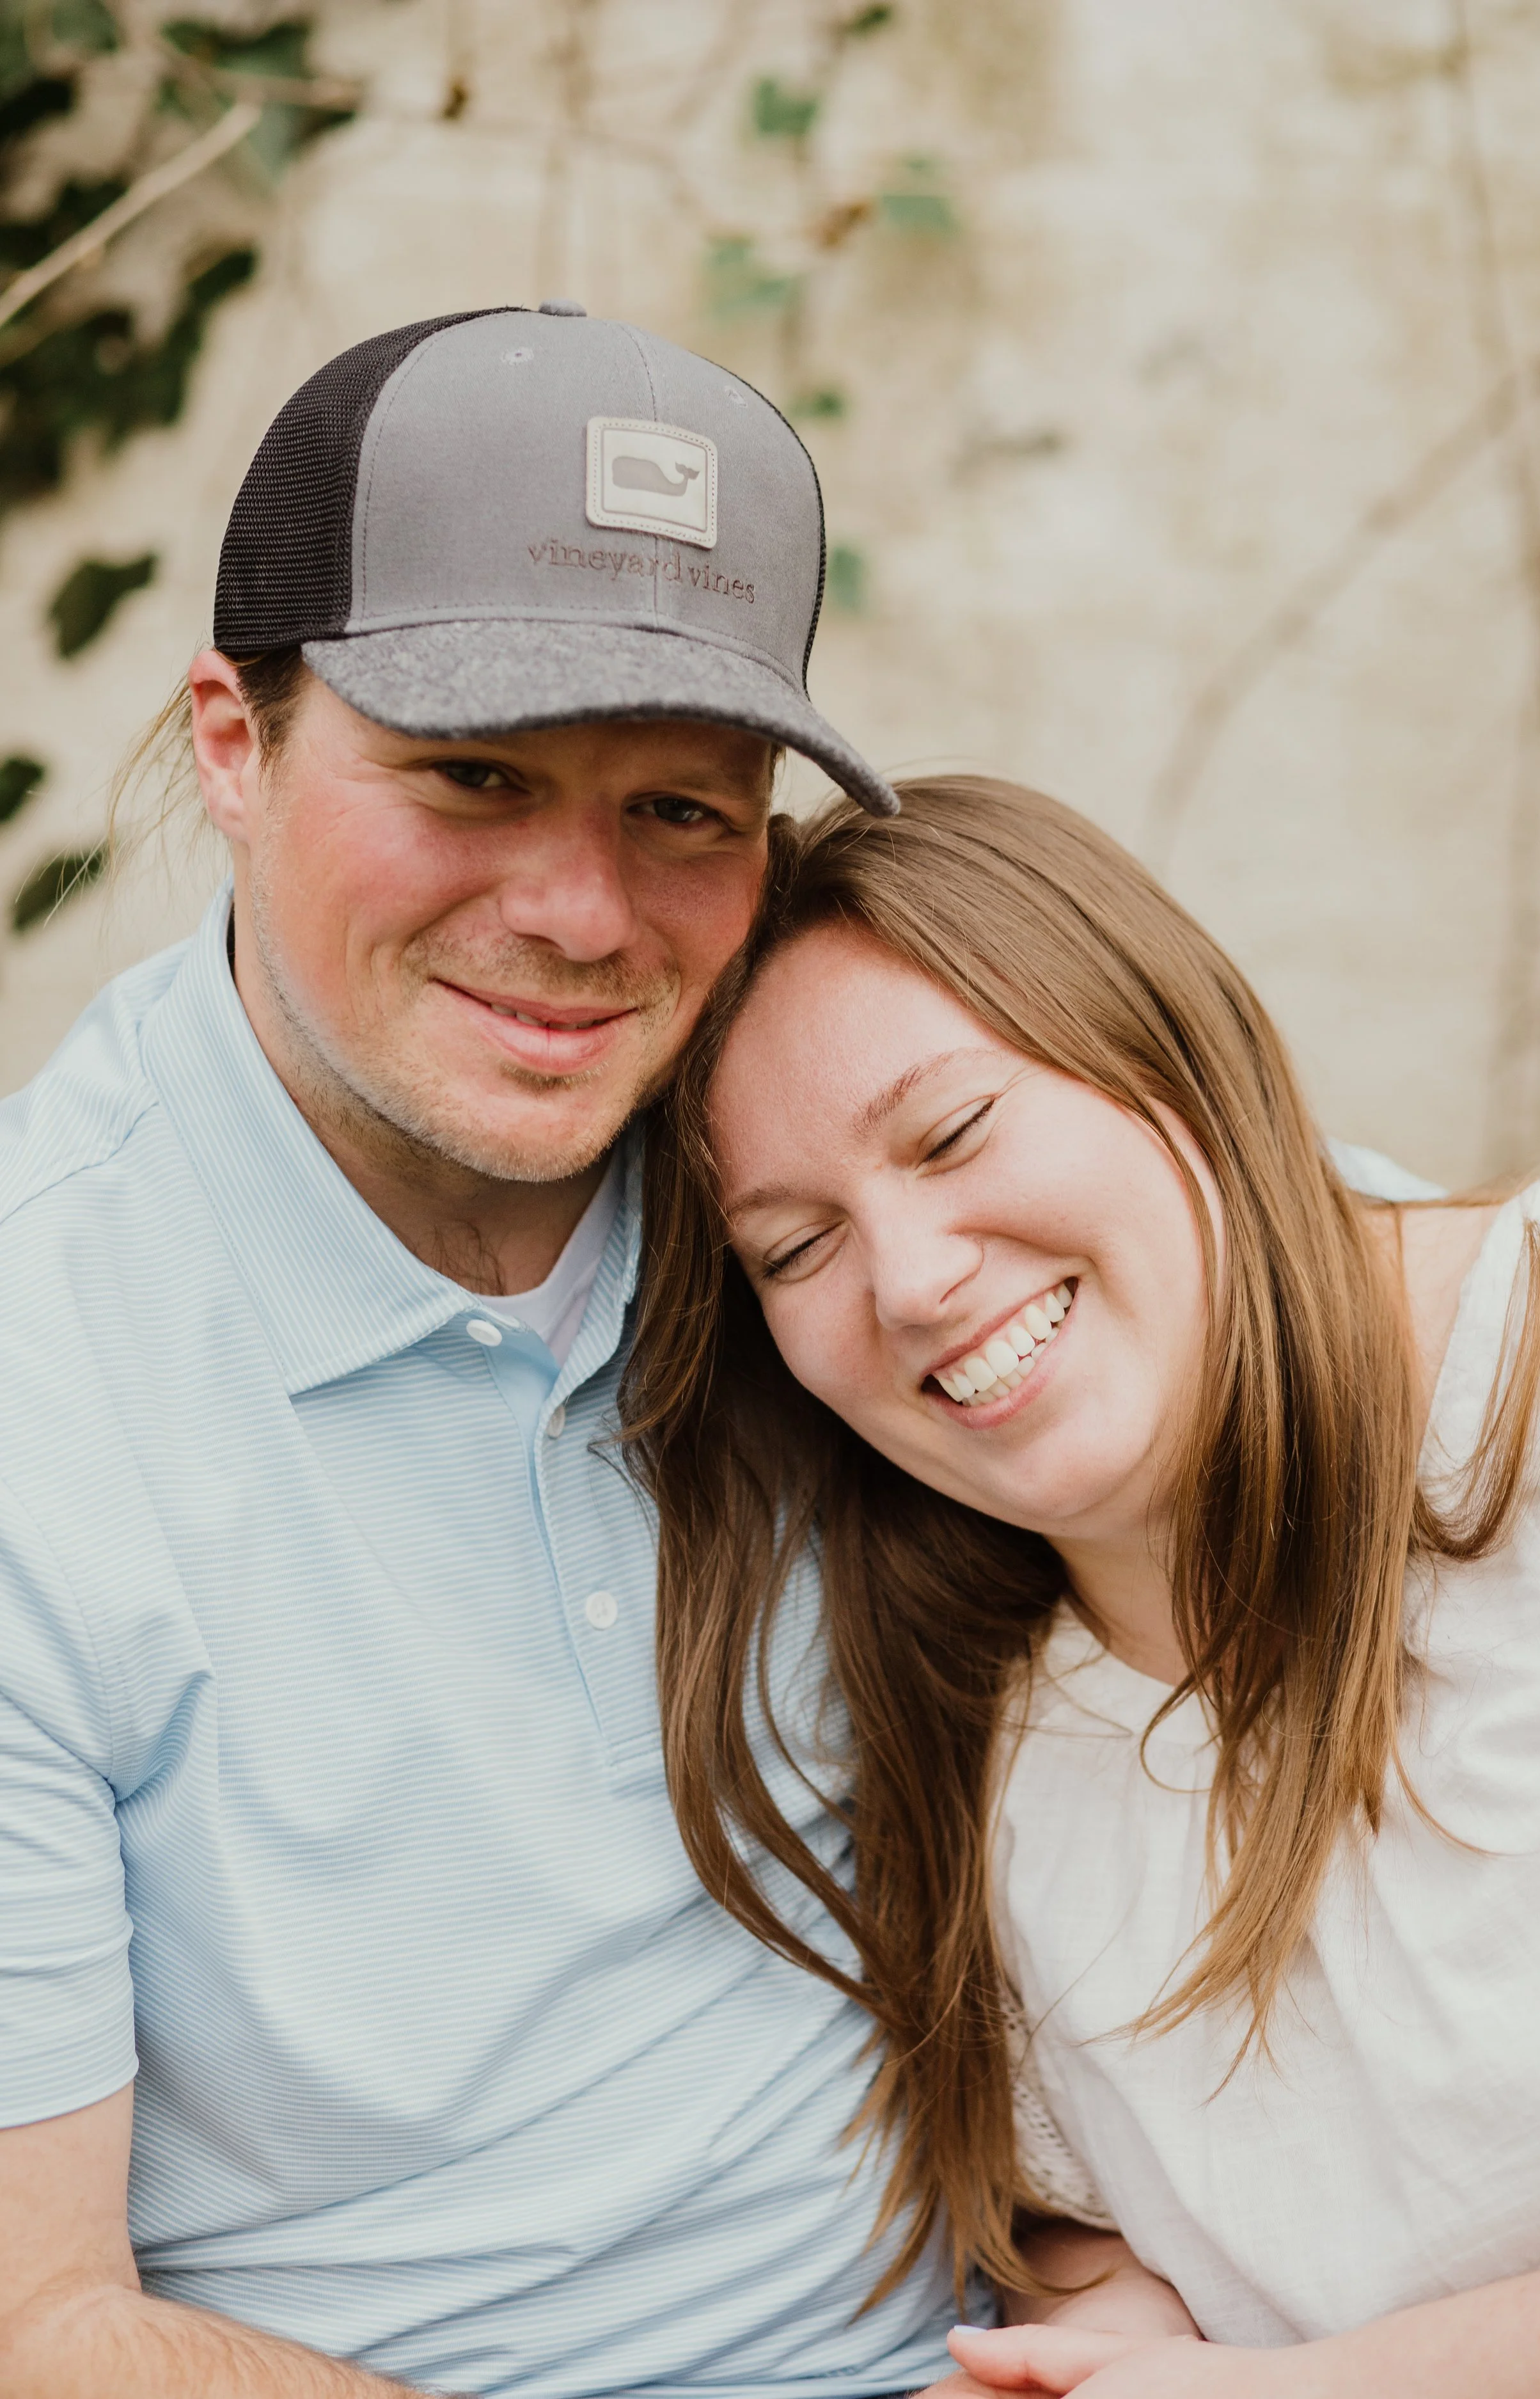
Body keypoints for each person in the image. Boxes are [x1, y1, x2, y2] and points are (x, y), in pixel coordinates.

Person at [0, 303, 973, 2399]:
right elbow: (41, 2330)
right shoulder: (38, 1392)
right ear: (232, 745)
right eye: (473, 775)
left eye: (687, 814)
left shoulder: (823, 1174)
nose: (583, 913)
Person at [627, 775, 1540, 2398]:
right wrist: (1103, 2362)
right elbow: (1101, 2225)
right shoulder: (986, 1748)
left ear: (1170, 1056)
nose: (915, 1282)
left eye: (951, 1132)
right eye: (795, 1250)